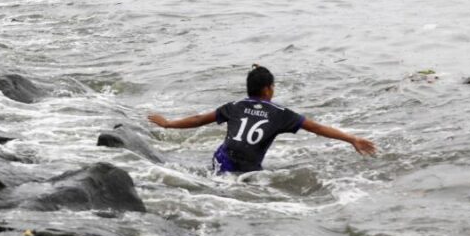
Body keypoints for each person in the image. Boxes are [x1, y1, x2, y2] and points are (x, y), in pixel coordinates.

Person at [147, 65, 376, 174]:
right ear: (267, 90)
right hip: (248, 167)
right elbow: (316, 128)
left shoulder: (234, 106)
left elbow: (198, 119)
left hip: (223, 158)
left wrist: (168, 123)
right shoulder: (279, 113)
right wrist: (352, 139)